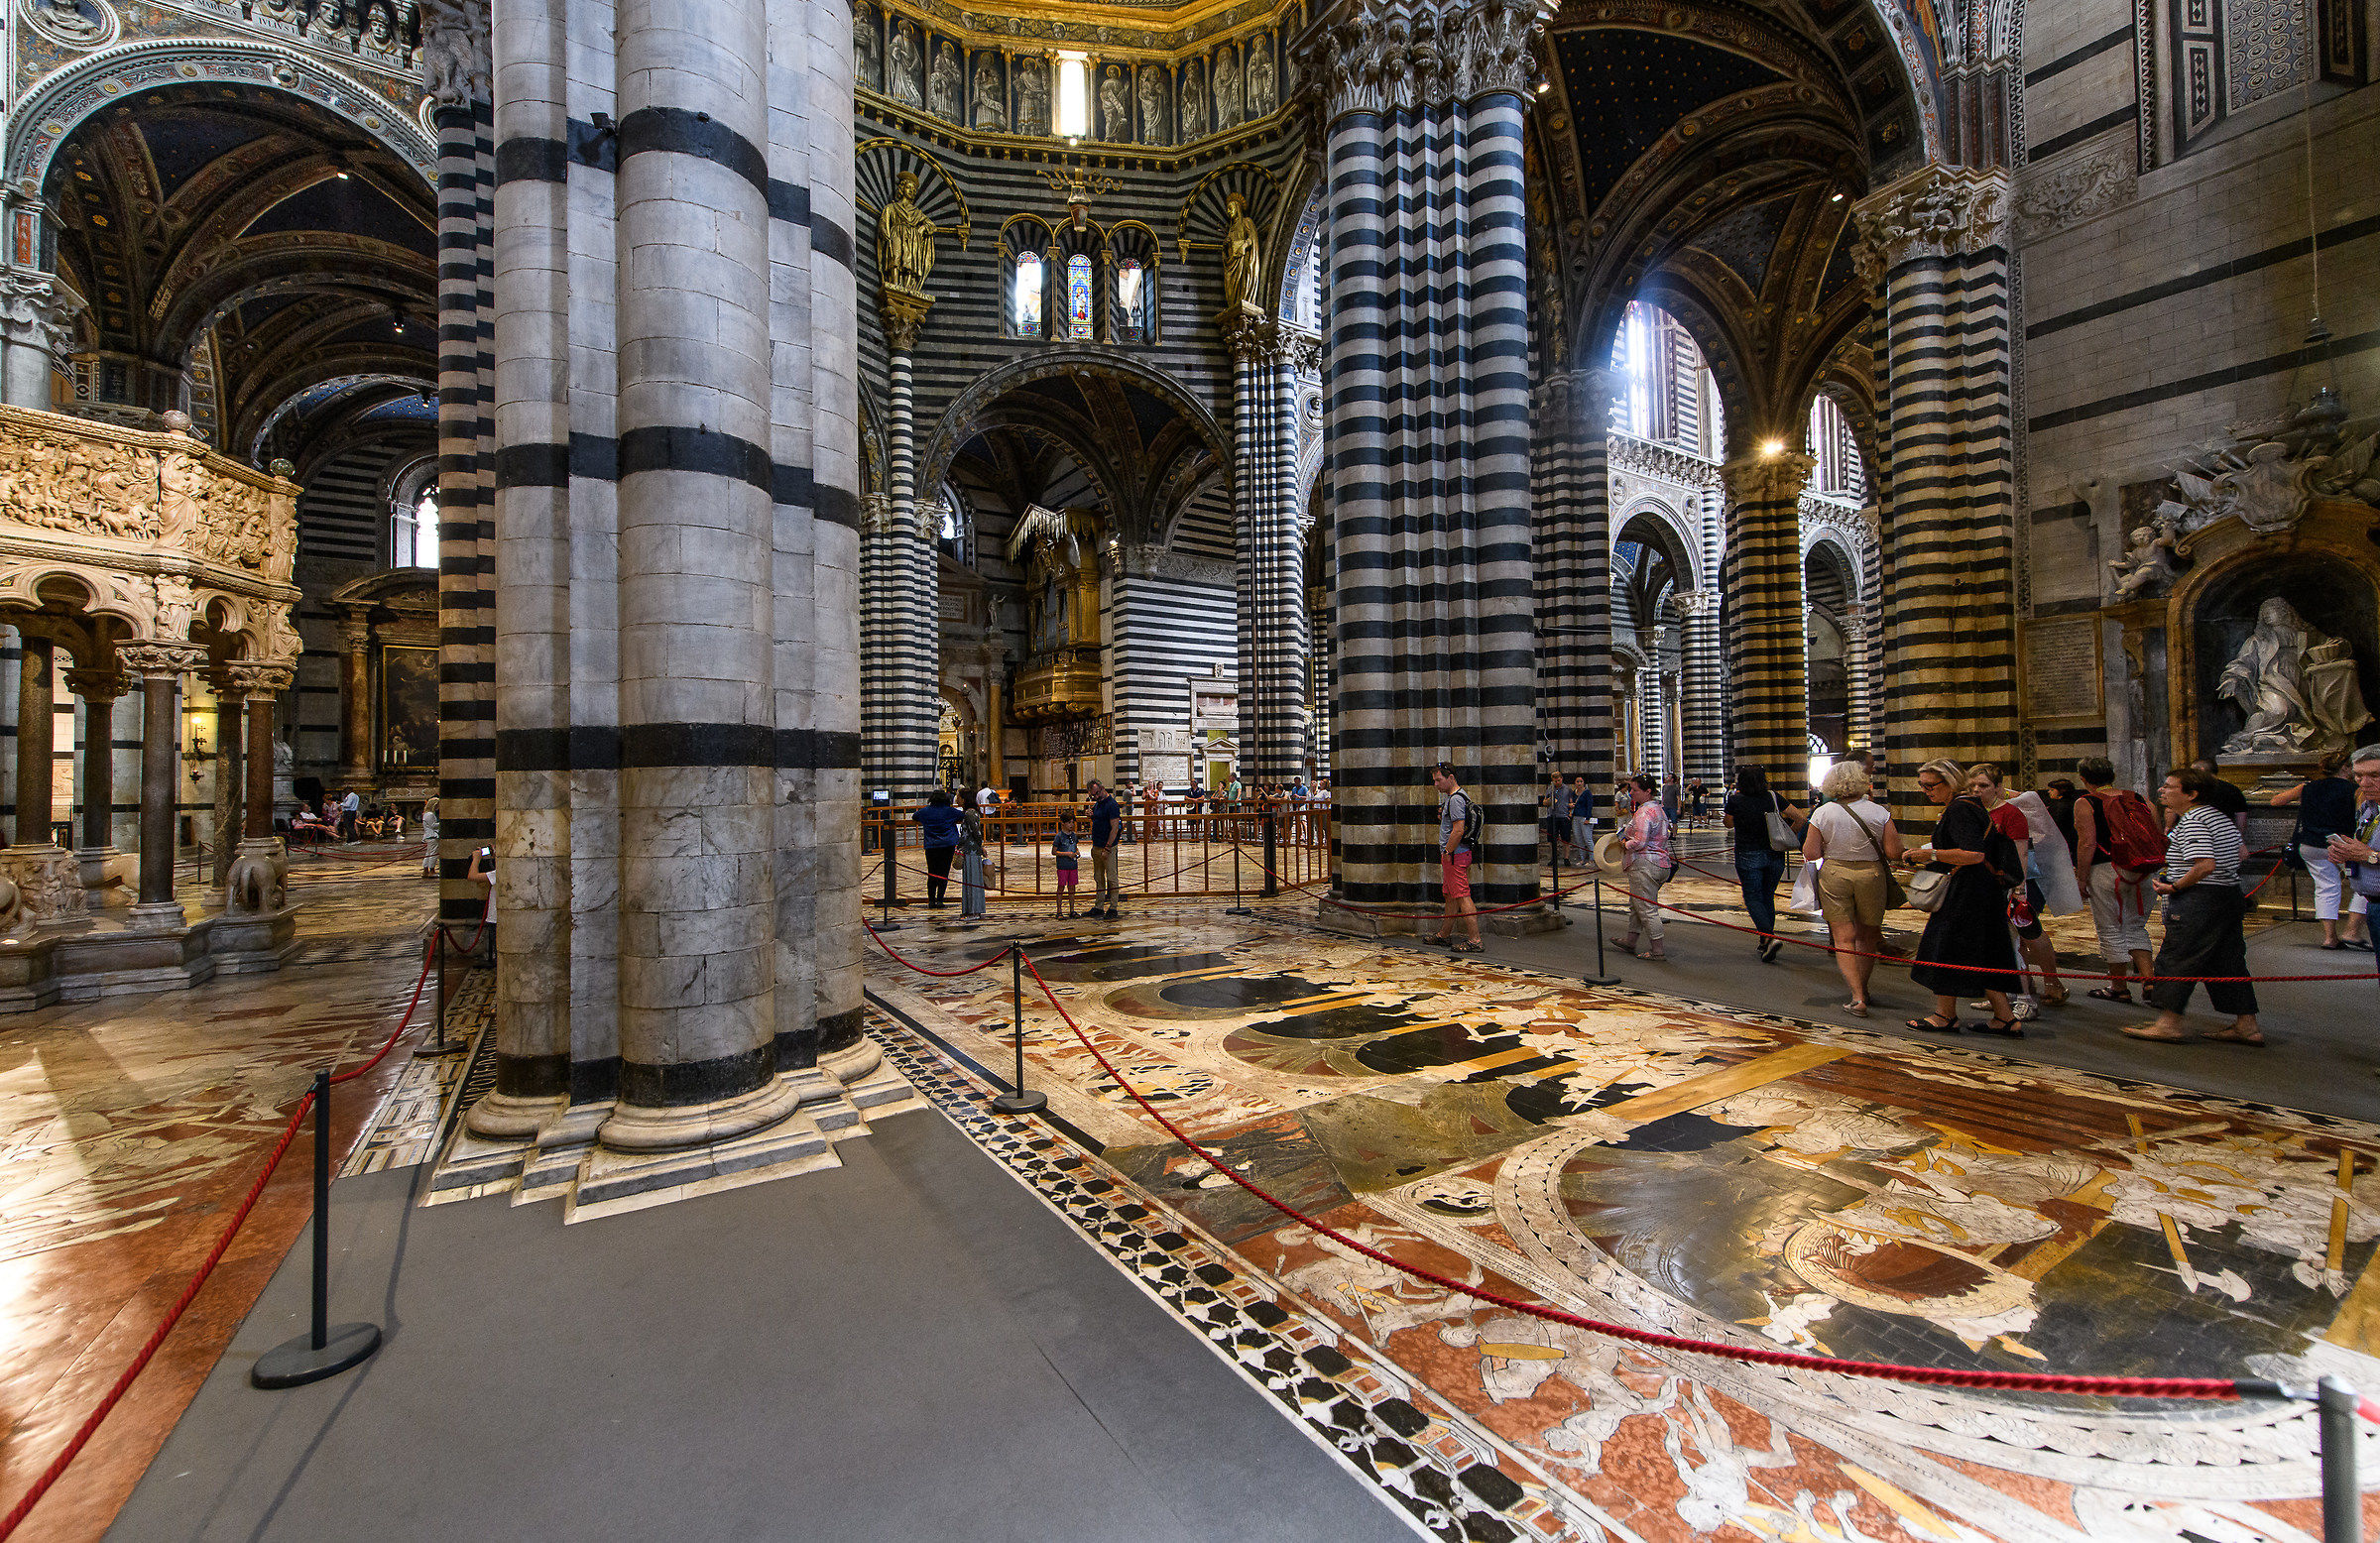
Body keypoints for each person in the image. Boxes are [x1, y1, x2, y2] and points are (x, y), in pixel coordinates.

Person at [2123, 766, 2262, 1044]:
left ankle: (2169, 1023)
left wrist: (2174, 886)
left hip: (2200, 900)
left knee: (2177, 957)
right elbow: (2237, 855)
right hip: (2227, 896)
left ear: (2191, 794)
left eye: (2169, 786)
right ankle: (2247, 1025)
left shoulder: (2195, 820)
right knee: (2227, 962)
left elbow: (2205, 865)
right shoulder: (2218, 816)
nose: (2162, 790)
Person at [1899, 758, 2023, 1035]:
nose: (1926, 791)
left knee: (1945, 948)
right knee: (1983, 953)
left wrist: (1928, 854)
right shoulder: (1970, 805)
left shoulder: (1959, 808)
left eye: (1930, 785)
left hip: (1968, 891)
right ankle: (2005, 1018)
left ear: (1950, 781)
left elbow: (1974, 854)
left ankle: (1945, 1015)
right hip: (1981, 890)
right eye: (1922, 785)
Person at [1964, 763, 2071, 1013]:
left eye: (1983, 785)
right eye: (1973, 785)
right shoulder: (1974, 811)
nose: (1977, 790)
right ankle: (2005, 995)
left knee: (2018, 942)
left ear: (1998, 787)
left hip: (2010, 886)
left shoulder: (2011, 813)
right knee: (1996, 944)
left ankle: (2025, 1000)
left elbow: (2021, 854)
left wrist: (2019, 890)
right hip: (1984, 886)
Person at [1803, 760, 1901, 1016]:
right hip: (1872, 874)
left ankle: (1857, 997)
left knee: (1843, 937)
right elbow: (1894, 852)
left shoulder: (1823, 812)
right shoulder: (1879, 812)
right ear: (1862, 781)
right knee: (1866, 936)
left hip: (1835, 873)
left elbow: (1811, 853)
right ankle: (1864, 989)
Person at [2272, 746, 2371, 949]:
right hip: (2342, 844)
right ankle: (2352, 931)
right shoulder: (2355, 790)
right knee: (2365, 885)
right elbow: (2362, 816)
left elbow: (2276, 801)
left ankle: (2330, 937)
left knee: (2325, 887)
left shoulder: (2307, 786)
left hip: (2310, 843)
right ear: (2345, 768)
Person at [1722, 765, 1805, 963]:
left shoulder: (1736, 800)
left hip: (1748, 853)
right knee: (1767, 896)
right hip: (1775, 854)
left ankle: (1768, 937)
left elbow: (1728, 823)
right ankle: (1765, 942)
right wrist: (1787, 835)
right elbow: (1801, 818)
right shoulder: (1772, 797)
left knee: (1752, 897)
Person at [1612, 773, 1673, 960]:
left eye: (1635, 790)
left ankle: (1657, 951)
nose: (1631, 793)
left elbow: (1639, 842)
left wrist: (1624, 843)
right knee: (1637, 904)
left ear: (1647, 791)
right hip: (1660, 863)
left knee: (1647, 908)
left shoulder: (1644, 812)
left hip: (1645, 865)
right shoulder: (1658, 809)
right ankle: (1630, 941)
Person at [1428, 763, 1483, 952]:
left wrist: (1447, 852)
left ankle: (1475, 940)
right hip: (1456, 854)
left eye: (1438, 780)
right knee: (1450, 895)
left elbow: (1458, 830)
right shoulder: (1457, 797)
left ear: (1450, 778)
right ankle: (1444, 935)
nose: (1436, 784)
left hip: (1455, 855)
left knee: (1462, 896)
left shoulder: (1456, 799)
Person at [912, 788, 963, 907]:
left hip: (931, 845)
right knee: (944, 872)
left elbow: (914, 816)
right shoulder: (950, 811)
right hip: (947, 845)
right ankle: (940, 899)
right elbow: (962, 816)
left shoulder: (925, 811)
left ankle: (931, 900)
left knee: (932, 872)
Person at [1088, 779, 1124, 919]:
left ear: (1102, 788)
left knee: (1111, 878)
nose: (1096, 797)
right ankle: (1099, 906)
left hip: (1107, 847)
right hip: (1097, 846)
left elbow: (1114, 828)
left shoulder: (1112, 805)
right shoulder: (1098, 803)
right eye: (1093, 795)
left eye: (1097, 793)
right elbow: (1099, 821)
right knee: (1098, 877)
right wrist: (1091, 816)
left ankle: (1113, 907)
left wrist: (1108, 848)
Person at [2186, 757, 2249, 834]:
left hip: (2200, 832)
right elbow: (2241, 817)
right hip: (2227, 833)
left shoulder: (2197, 790)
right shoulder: (2233, 789)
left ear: (2201, 770)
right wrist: (2238, 835)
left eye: (2193, 771)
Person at [959, 801, 987, 917]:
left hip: (971, 850)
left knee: (972, 880)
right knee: (971, 880)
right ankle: (971, 910)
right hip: (971, 849)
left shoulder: (969, 813)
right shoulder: (972, 813)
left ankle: (974, 911)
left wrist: (980, 845)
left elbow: (975, 832)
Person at [1051, 812, 1082, 918]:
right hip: (1063, 866)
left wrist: (1077, 852)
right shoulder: (1059, 836)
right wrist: (1067, 854)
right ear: (1063, 823)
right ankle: (1059, 910)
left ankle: (1072, 909)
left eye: (1073, 822)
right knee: (1061, 887)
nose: (1071, 825)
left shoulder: (1073, 835)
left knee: (1072, 888)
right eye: (1069, 822)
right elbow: (1054, 851)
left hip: (1073, 865)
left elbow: (1075, 846)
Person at [1544, 773, 1575, 870]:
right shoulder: (1550, 789)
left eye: (1558, 780)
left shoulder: (1567, 789)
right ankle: (1553, 858)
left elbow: (1571, 802)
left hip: (1563, 816)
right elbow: (1544, 802)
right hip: (1552, 816)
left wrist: (1570, 813)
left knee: (1566, 839)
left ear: (1561, 779)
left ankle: (1566, 858)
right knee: (1552, 839)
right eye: (1555, 781)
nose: (1557, 782)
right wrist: (1549, 801)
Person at [1568, 773, 1596, 867]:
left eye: (1581, 781)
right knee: (1578, 839)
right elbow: (1571, 803)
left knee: (1587, 839)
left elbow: (1589, 806)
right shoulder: (1573, 793)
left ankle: (1592, 859)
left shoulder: (1587, 792)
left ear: (1583, 783)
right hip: (1575, 818)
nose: (1579, 783)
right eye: (1577, 782)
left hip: (1584, 817)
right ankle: (1582, 859)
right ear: (1575, 783)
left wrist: (1588, 818)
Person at [419, 797, 439, 878]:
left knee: (428, 853)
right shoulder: (430, 814)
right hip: (432, 835)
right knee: (433, 853)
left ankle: (425, 870)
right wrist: (443, 823)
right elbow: (433, 825)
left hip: (429, 836)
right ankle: (432, 870)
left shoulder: (426, 814)